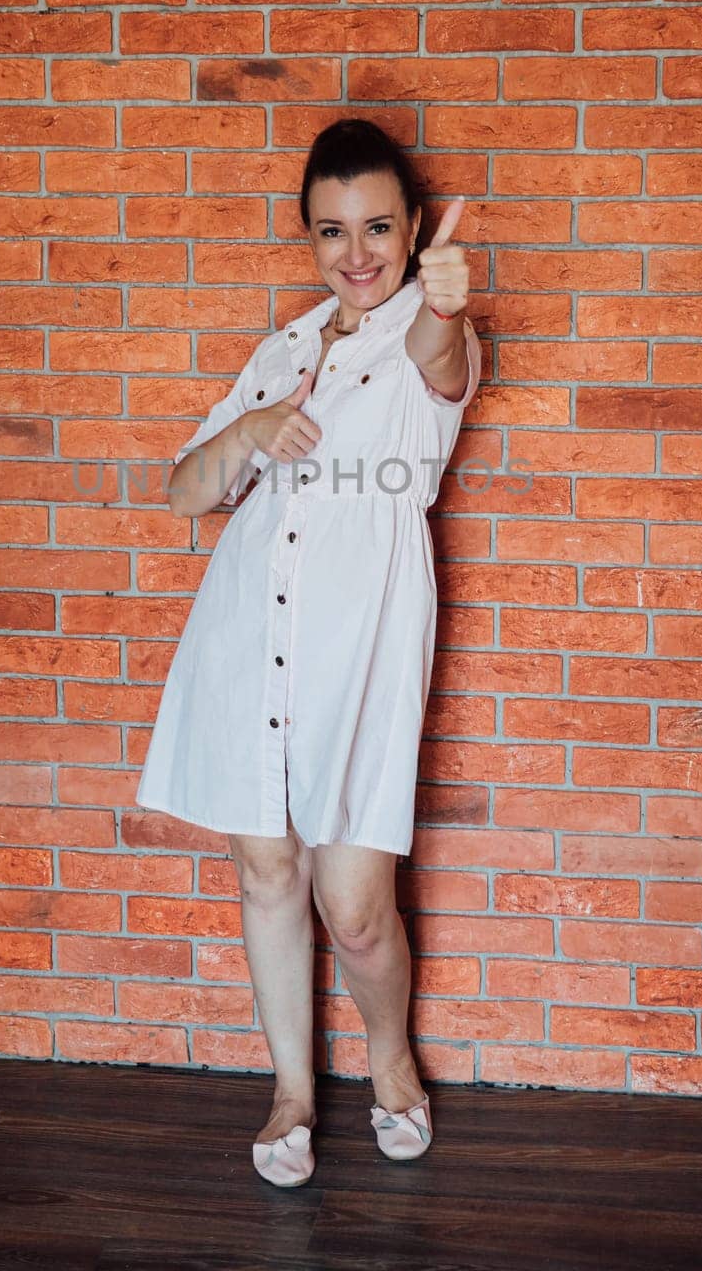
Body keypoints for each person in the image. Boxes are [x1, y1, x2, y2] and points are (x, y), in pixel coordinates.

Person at [136, 117, 482, 1188]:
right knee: (266, 870)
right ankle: (290, 1090)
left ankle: (390, 1064)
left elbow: (447, 360)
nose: (357, 251)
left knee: (357, 908)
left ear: (413, 226)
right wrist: (245, 434)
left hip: (358, 653)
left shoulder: (425, 325)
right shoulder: (281, 349)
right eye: (332, 230)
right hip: (247, 640)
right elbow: (185, 491)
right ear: (308, 236)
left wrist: (452, 300)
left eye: (378, 225)